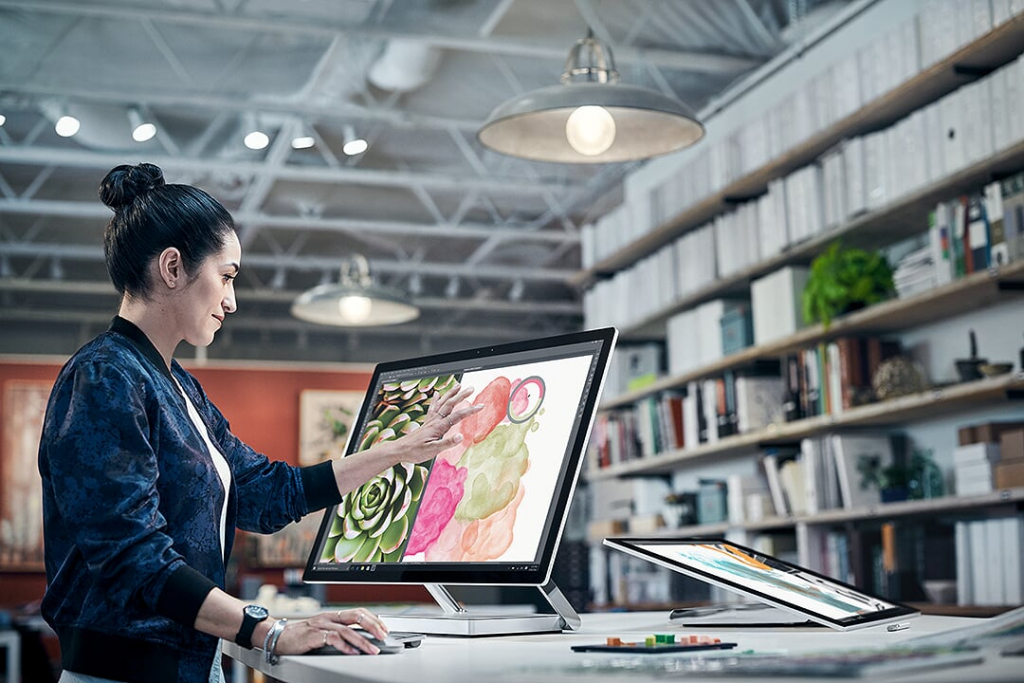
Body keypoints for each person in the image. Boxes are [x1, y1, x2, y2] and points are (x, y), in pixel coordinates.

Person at [37, 162, 481, 683]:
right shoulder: (104, 377)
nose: (232, 300)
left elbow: (265, 492)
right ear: (173, 268)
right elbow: (131, 558)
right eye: (226, 276)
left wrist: (402, 450)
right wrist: (268, 630)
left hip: (194, 667)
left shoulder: (178, 386)